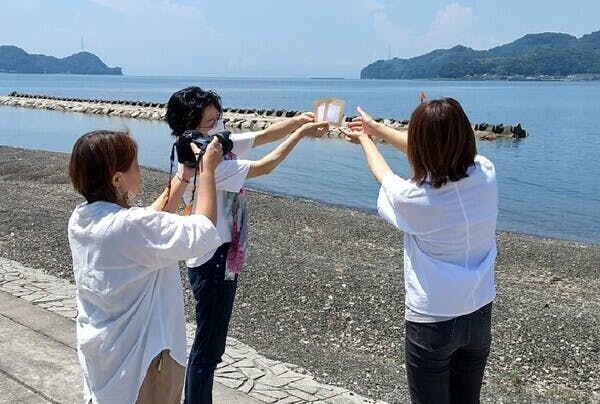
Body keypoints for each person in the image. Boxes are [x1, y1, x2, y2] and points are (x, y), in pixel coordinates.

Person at [166, 86, 329, 404]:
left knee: (210, 347)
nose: (218, 127)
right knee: (207, 350)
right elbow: (266, 165)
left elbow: (264, 136)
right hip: (212, 260)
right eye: (210, 122)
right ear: (190, 129)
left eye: (218, 119)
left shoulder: (214, 146)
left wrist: (298, 121)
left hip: (220, 257)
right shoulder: (208, 164)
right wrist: (300, 135)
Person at [340, 98, 498, 404]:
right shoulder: (486, 173)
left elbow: (385, 176)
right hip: (479, 310)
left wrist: (365, 139)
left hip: (433, 320)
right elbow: (436, 151)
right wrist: (376, 129)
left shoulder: (414, 199)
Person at [67, 130, 224, 404]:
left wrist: (184, 176)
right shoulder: (130, 226)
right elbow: (204, 230)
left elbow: (147, 223)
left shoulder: (81, 219)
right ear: (117, 179)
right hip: (144, 363)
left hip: (105, 356)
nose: (140, 171)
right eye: (135, 166)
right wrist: (208, 170)